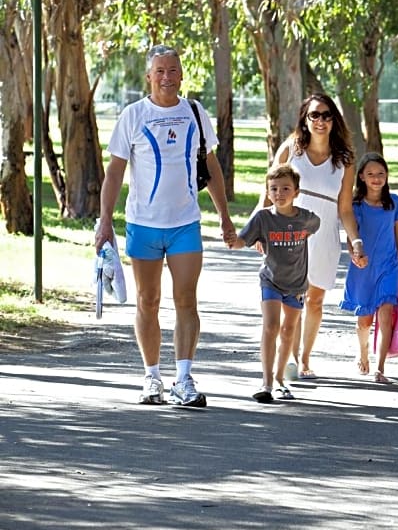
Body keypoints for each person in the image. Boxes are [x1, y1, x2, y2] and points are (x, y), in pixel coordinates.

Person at [95, 44, 236, 407]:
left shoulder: (194, 112)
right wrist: (105, 221)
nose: (167, 77)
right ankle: (151, 378)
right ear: (149, 76)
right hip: (143, 224)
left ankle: (184, 379)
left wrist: (223, 215)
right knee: (148, 300)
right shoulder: (133, 115)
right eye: (160, 70)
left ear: (182, 74)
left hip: (185, 223)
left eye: (173, 70)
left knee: (186, 300)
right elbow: (114, 171)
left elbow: (212, 165)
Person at [271, 93, 367, 379]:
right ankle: (289, 355)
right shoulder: (291, 150)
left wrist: (356, 241)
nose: (321, 121)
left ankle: (305, 359)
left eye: (326, 115)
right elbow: (271, 190)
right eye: (315, 115)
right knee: (292, 296)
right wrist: (259, 229)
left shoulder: (344, 160)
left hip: (325, 233)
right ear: (305, 118)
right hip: (290, 231)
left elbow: (345, 208)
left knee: (314, 299)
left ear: (334, 120)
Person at [228, 164, 320, 402]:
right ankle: (266, 382)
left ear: (296, 192)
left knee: (288, 330)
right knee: (271, 327)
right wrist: (231, 239)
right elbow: (241, 241)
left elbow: (315, 226)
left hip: (297, 283)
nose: (280, 193)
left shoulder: (306, 219)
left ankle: (280, 380)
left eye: (286, 188)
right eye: (274, 189)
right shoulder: (263, 218)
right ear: (268, 193)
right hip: (270, 281)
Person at [339, 152, 398, 383]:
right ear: (361, 177)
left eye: (380, 173)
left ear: (387, 175)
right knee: (365, 319)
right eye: (371, 174)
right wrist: (354, 254)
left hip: (389, 267)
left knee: (386, 314)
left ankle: (380, 368)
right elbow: (351, 234)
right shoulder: (356, 205)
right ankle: (363, 353)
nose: (376, 178)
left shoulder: (394, 203)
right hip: (364, 267)